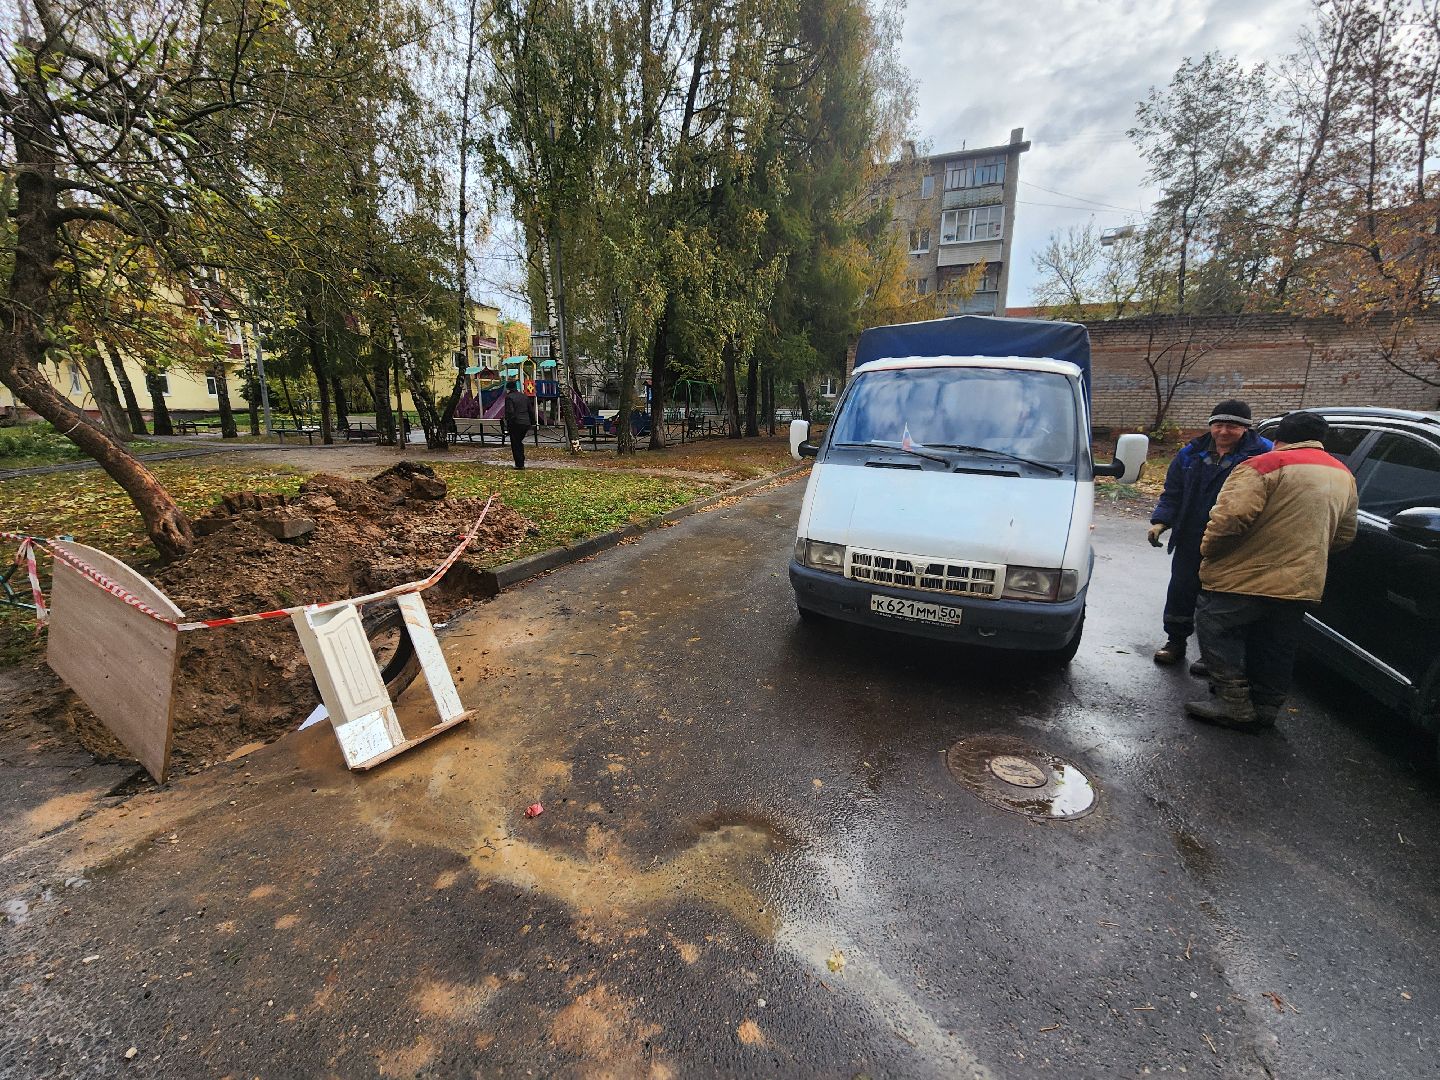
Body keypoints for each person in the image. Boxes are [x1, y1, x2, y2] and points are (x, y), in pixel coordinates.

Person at [1185, 411, 1358, 730]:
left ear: (1279, 437)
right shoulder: (1343, 474)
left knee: (1216, 628)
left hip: (1243, 577)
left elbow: (1230, 521)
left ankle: (1232, 703)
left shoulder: (1262, 466)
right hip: (1301, 583)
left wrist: (1208, 551)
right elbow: (1345, 535)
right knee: (1277, 644)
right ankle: (1266, 707)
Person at [1147, 400, 1271, 668]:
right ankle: (1175, 642)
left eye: (1232, 426)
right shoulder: (1191, 453)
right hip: (1192, 535)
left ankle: (1210, 655)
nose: (1224, 431)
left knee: (1218, 600)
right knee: (1182, 589)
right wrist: (1161, 521)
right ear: (1211, 425)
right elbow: (1174, 492)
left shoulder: (1262, 456)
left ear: (1245, 429)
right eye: (1219, 425)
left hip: (1235, 540)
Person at [503, 379, 536, 469]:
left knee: (515, 443)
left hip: (515, 423)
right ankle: (521, 461)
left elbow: (510, 412)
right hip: (526, 423)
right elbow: (530, 410)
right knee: (518, 441)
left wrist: (509, 423)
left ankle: (519, 464)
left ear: (508, 389)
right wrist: (533, 422)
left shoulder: (509, 397)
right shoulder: (524, 396)